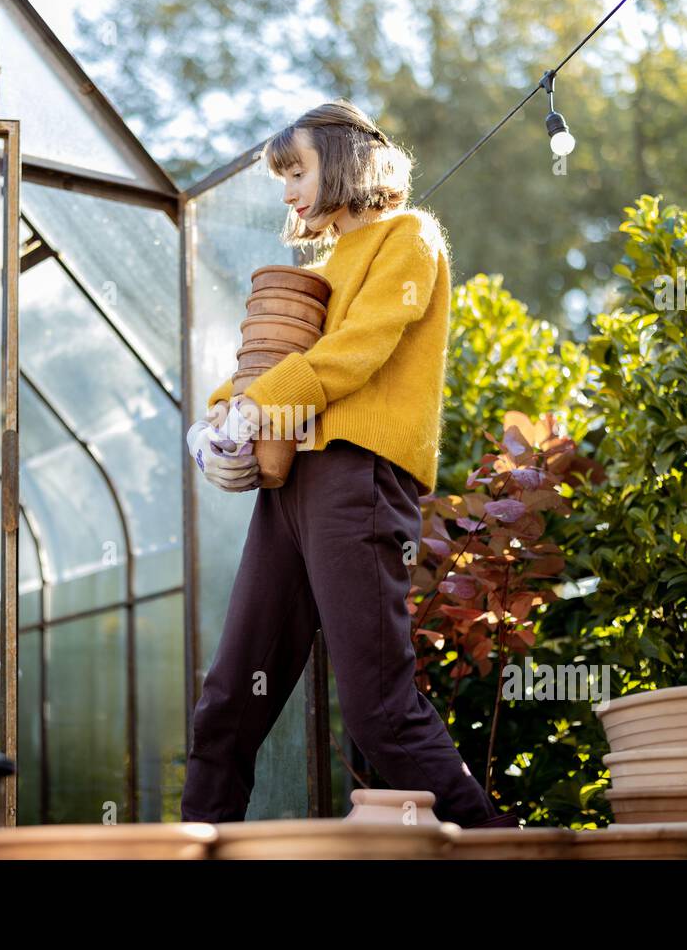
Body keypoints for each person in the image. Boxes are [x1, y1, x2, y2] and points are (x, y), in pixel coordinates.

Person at [181, 98, 517, 829]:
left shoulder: (410, 238)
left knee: (380, 713)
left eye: (297, 170)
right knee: (227, 704)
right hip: (293, 488)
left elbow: (356, 348)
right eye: (284, 176)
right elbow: (276, 353)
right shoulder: (324, 265)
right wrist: (219, 418)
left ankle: (499, 849)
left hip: (355, 479)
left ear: (341, 161)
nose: (288, 189)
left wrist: (256, 407)